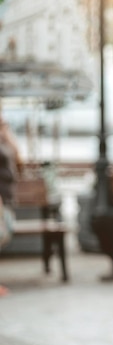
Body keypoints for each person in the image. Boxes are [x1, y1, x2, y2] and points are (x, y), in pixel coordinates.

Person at [0, 109, 23, 296]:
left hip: (6, 196)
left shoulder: (4, 139)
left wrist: (5, 131)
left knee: (4, 233)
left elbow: (18, 156)